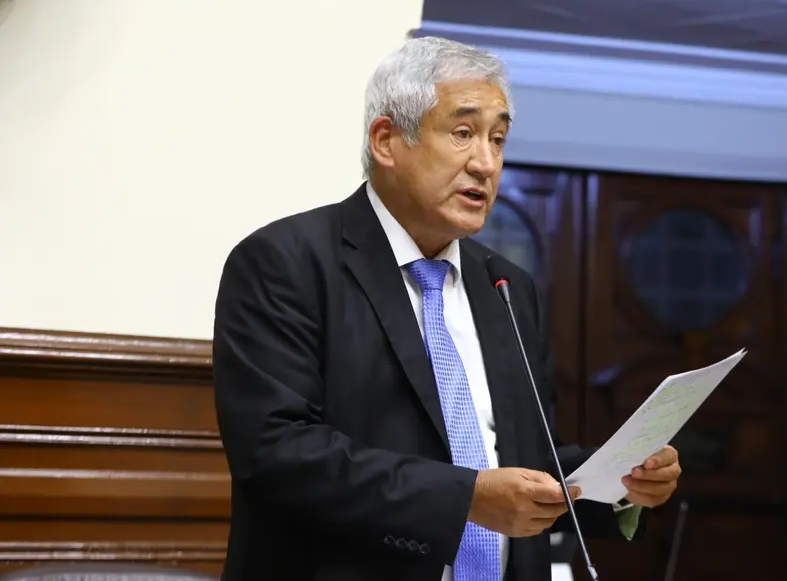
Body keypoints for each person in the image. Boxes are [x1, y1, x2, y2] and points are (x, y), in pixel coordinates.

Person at [211, 36, 682, 581]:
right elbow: (277, 455)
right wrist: (466, 498)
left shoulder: (506, 285)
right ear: (387, 140)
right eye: (463, 133)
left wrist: (617, 482)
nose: (486, 163)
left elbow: (524, 457)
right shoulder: (285, 262)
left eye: (498, 139)